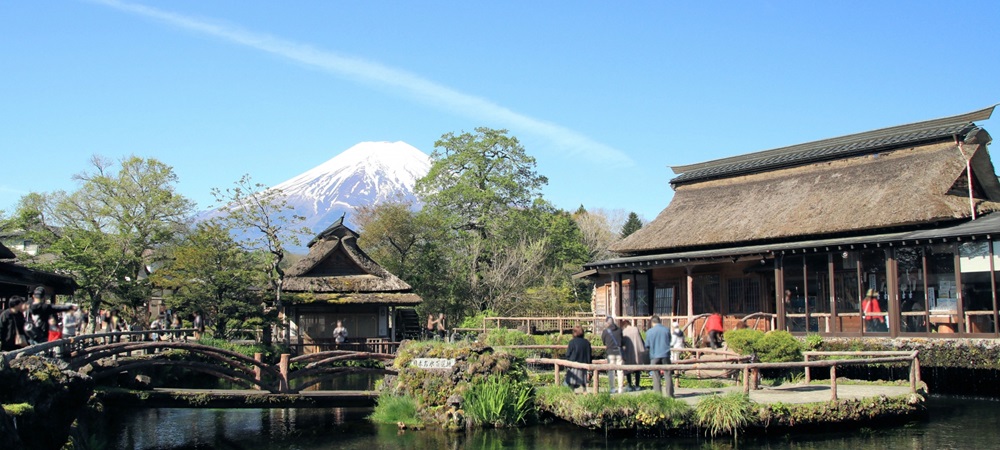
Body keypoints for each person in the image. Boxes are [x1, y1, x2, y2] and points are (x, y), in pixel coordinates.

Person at [645, 315, 673, 397]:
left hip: (654, 355)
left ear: (652, 322)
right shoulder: (667, 330)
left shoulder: (650, 332)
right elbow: (670, 341)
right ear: (659, 321)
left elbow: (647, 345)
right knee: (668, 374)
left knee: (656, 375)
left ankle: (658, 395)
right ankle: (670, 394)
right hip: (666, 355)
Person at [563, 325, 592, 392]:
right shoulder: (587, 343)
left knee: (568, 385)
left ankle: (570, 397)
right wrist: (590, 372)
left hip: (573, 368)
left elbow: (568, 355)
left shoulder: (572, 342)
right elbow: (589, 356)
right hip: (584, 369)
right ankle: (585, 394)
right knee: (583, 386)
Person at [620, 319, 647, 391]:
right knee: (637, 369)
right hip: (637, 351)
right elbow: (641, 340)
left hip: (628, 352)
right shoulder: (635, 329)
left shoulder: (624, 332)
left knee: (628, 369)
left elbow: (622, 343)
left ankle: (629, 385)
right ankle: (637, 385)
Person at [601, 316, 625, 393]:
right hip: (619, 352)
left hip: (610, 352)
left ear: (607, 322)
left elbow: (603, 341)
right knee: (620, 370)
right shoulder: (619, 330)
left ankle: (612, 388)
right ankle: (621, 388)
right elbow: (622, 340)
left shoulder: (605, 331)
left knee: (611, 371)